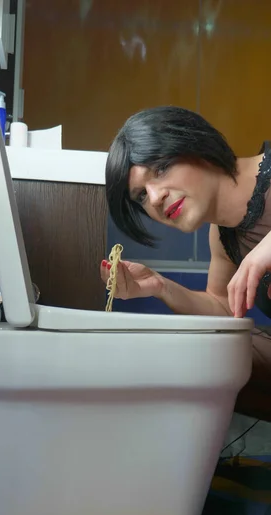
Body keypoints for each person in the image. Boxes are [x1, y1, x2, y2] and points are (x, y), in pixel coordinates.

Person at [100, 106, 271, 420]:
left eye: (162, 168)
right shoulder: (223, 238)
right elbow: (223, 307)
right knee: (212, 356)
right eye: (140, 196)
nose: (154, 198)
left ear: (196, 144)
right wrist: (160, 286)